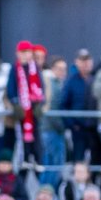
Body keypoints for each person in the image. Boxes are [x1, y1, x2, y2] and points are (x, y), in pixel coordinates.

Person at [61, 50, 101, 164]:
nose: (86, 64)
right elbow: (63, 105)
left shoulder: (97, 78)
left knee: (96, 158)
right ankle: (77, 181)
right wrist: (72, 125)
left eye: (88, 61)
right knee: (78, 158)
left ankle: (94, 181)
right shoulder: (71, 81)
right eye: (82, 61)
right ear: (77, 62)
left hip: (94, 127)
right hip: (79, 128)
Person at [40, 57, 68, 188]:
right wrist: (63, 127)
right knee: (54, 165)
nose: (63, 72)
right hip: (52, 130)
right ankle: (48, 195)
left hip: (51, 129)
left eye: (64, 69)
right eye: (59, 69)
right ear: (52, 69)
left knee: (51, 164)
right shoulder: (53, 85)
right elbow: (52, 109)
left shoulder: (58, 83)